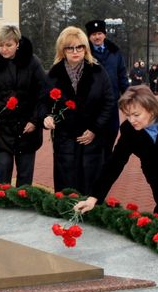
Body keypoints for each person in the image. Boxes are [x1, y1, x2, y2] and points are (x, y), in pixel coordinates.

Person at [74, 86, 158, 231]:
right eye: (127, 115)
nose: (131, 120)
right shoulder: (129, 130)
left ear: (151, 109)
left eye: (136, 115)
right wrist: (94, 198)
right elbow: (114, 163)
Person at [41, 26, 115, 194]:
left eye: (79, 47)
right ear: (63, 50)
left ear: (85, 48)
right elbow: (43, 102)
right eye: (70, 47)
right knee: (66, 186)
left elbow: (109, 102)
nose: (75, 51)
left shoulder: (98, 71)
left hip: (92, 138)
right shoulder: (54, 73)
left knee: (91, 184)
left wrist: (95, 129)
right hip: (64, 139)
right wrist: (46, 117)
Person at [0, 25, 47, 186]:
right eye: (1, 45)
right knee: (3, 168)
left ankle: (23, 206)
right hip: (2, 129)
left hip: (28, 129)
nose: (4, 49)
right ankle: (2, 205)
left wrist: (35, 121)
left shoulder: (32, 62)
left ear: (17, 44)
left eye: (9, 45)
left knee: (25, 174)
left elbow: (43, 94)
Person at [86, 19, 129, 160]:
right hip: (92, 104)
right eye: (93, 34)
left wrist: (128, 97)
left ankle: (106, 161)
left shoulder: (115, 52)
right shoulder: (85, 53)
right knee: (94, 134)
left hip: (111, 102)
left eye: (99, 33)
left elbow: (122, 76)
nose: (97, 37)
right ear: (89, 36)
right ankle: (96, 163)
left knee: (111, 132)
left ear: (104, 34)